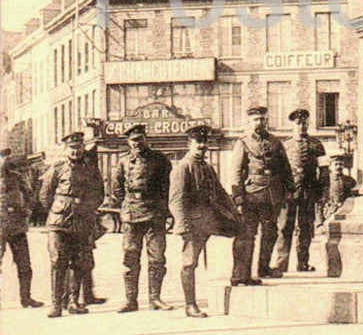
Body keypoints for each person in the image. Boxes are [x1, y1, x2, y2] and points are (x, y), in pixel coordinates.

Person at [169, 124, 240, 318]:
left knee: (240, 235)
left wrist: (234, 213)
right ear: (189, 144)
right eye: (198, 142)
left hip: (211, 220)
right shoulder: (183, 168)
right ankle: (190, 305)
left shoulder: (207, 167)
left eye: (204, 142)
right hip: (193, 224)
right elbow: (176, 200)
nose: (202, 146)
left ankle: (236, 282)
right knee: (189, 263)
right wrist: (182, 225)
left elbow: (220, 192)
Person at [40, 131, 104, 318]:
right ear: (66, 149)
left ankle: (74, 302)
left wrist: (88, 208)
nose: (76, 151)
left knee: (79, 262)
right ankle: (56, 305)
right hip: (59, 222)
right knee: (58, 260)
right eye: (72, 148)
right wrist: (58, 209)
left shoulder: (91, 169)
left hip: (82, 221)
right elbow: (45, 195)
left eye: (79, 147)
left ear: (84, 147)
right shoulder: (57, 168)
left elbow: (99, 193)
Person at [231, 106, 295, 285]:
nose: (259, 123)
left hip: (272, 195)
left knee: (270, 232)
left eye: (262, 119)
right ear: (249, 122)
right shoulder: (242, 143)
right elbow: (236, 171)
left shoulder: (275, 142)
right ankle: (242, 273)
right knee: (247, 235)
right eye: (255, 120)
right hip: (252, 195)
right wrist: (238, 196)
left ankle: (264, 268)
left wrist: (289, 189)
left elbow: (285, 167)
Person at [112, 123, 173, 312]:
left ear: (146, 139)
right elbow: (116, 189)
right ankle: (131, 300)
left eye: (140, 139)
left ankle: (155, 298)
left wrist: (166, 211)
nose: (137, 143)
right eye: (133, 140)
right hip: (132, 214)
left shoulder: (160, 159)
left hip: (155, 214)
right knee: (130, 257)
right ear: (128, 143)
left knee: (157, 258)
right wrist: (127, 205)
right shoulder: (122, 162)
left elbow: (168, 187)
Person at [273, 109, 325, 274]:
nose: (301, 126)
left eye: (304, 123)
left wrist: (323, 189)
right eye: (298, 123)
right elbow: (278, 170)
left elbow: (323, 169)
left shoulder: (317, 145)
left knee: (305, 227)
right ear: (292, 125)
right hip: (289, 192)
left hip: (308, 192)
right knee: (284, 227)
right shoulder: (285, 145)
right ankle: (281, 263)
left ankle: (303, 262)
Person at [0, 149, 43, 308]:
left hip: (17, 226)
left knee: (24, 265)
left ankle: (26, 298)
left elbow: (30, 195)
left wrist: (27, 211)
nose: (3, 161)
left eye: (5, 157)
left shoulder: (18, 178)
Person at [319, 151, 357, 221]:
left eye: (340, 164)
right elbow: (319, 203)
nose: (338, 167)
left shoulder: (350, 181)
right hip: (329, 213)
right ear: (330, 166)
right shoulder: (325, 181)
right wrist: (319, 222)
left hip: (345, 212)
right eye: (336, 164)